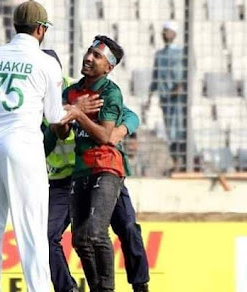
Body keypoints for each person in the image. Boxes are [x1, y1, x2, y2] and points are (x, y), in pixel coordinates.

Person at [0, 1, 75, 292]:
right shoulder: (46, 62)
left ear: (15, 26)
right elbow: (54, 116)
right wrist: (75, 109)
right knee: (31, 227)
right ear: (41, 29)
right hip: (23, 145)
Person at [42, 50, 149, 292]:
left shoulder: (72, 87)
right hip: (66, 178)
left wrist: (119, 132)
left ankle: (140, 284)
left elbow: (128, 114)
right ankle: (70, 289)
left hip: (103, 167)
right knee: (55, 238)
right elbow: (48, 142)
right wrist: (62, 118)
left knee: (127, 228)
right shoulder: (31, 100)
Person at [59, 35, 129, 292]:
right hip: (81, 170)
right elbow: (60, 133)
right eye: (89, 52)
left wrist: (77, 113)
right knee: (79, 240)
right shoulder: (72, 91)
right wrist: (65, 115)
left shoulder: (111, 92)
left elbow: (106, 136)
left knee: (96, 233)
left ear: (108, 67)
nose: (88, 58)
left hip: (107, 168)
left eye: (97, 56)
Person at [146, 21, 185, 171]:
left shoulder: (182, 52)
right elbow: (155, 77)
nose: (164, 34)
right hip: (166, 99)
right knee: (171, 131)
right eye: (163, 31)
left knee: (180, 129)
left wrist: (181, 86)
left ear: (174, 34)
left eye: (167, 31)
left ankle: (182, 161)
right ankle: (176, 161)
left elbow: (188, 72)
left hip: (179, 100)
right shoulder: (159, 55)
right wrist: (150, 96)